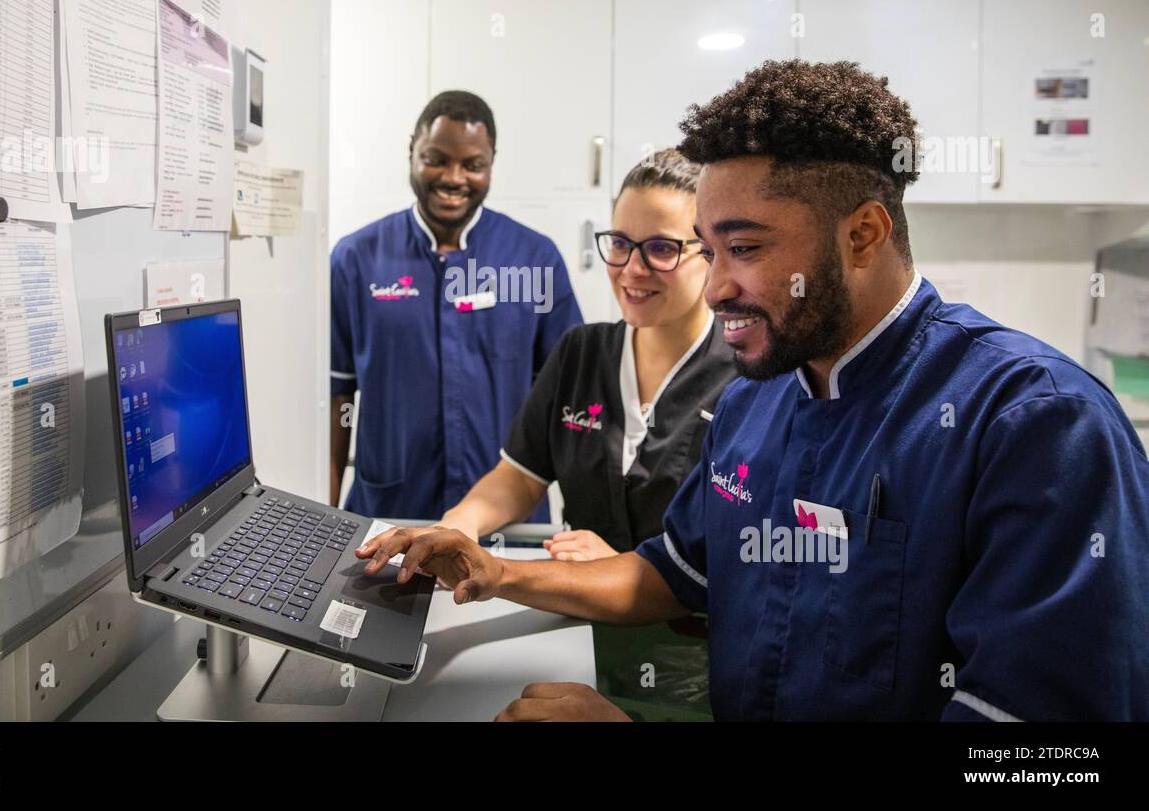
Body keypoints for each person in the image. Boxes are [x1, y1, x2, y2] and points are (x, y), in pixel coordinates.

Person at [357, 60, 1149, 721]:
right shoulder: (758, 399)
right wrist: (492, 570)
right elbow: (671, 571)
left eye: (743, 249)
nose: (717, 286)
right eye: (708, 248)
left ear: (863, 234)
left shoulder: (1036, 425)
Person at [437, 149, 737, 559]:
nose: (632, 269)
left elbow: (741, 546)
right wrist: (460, 522)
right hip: (574, 612)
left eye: (661, 248)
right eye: (619, 243)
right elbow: (520, 478)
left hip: (691, 622)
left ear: (709, 252)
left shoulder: (748, 376)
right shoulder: (579, 354)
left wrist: (619, 569)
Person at [329, 91, 583, 520]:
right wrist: (327, 516)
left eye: (473, 165)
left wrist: (584, 517)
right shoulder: (356, 259)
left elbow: (570, 399)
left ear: (491, 164)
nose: (454, 177)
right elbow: (338, 396)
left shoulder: (534, 259)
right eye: (436, 159)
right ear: (412, 151)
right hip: (389, 512)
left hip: (505, 522)